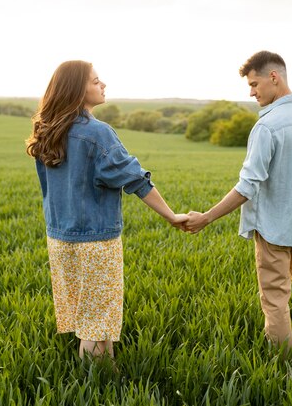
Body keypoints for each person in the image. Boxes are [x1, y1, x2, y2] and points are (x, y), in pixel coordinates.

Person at [26, 60, 188, 359]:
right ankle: (98, 388)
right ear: (78, 89)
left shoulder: (49, 131)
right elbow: (135, 179)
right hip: (96, 242)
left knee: (92, 321)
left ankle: (105, 378)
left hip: (60, 240)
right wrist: (171, 216)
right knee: (97, 326)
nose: (103, 85)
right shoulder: (97, 133)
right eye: (96, 80)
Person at [185, 51, 292, 350]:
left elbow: (248, 185)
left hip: (273, 228)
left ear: (274, 78)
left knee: (275, 299)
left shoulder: (267, 126)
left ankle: (281, 367)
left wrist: (206, 217)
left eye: (254, 84)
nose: (251, 92)